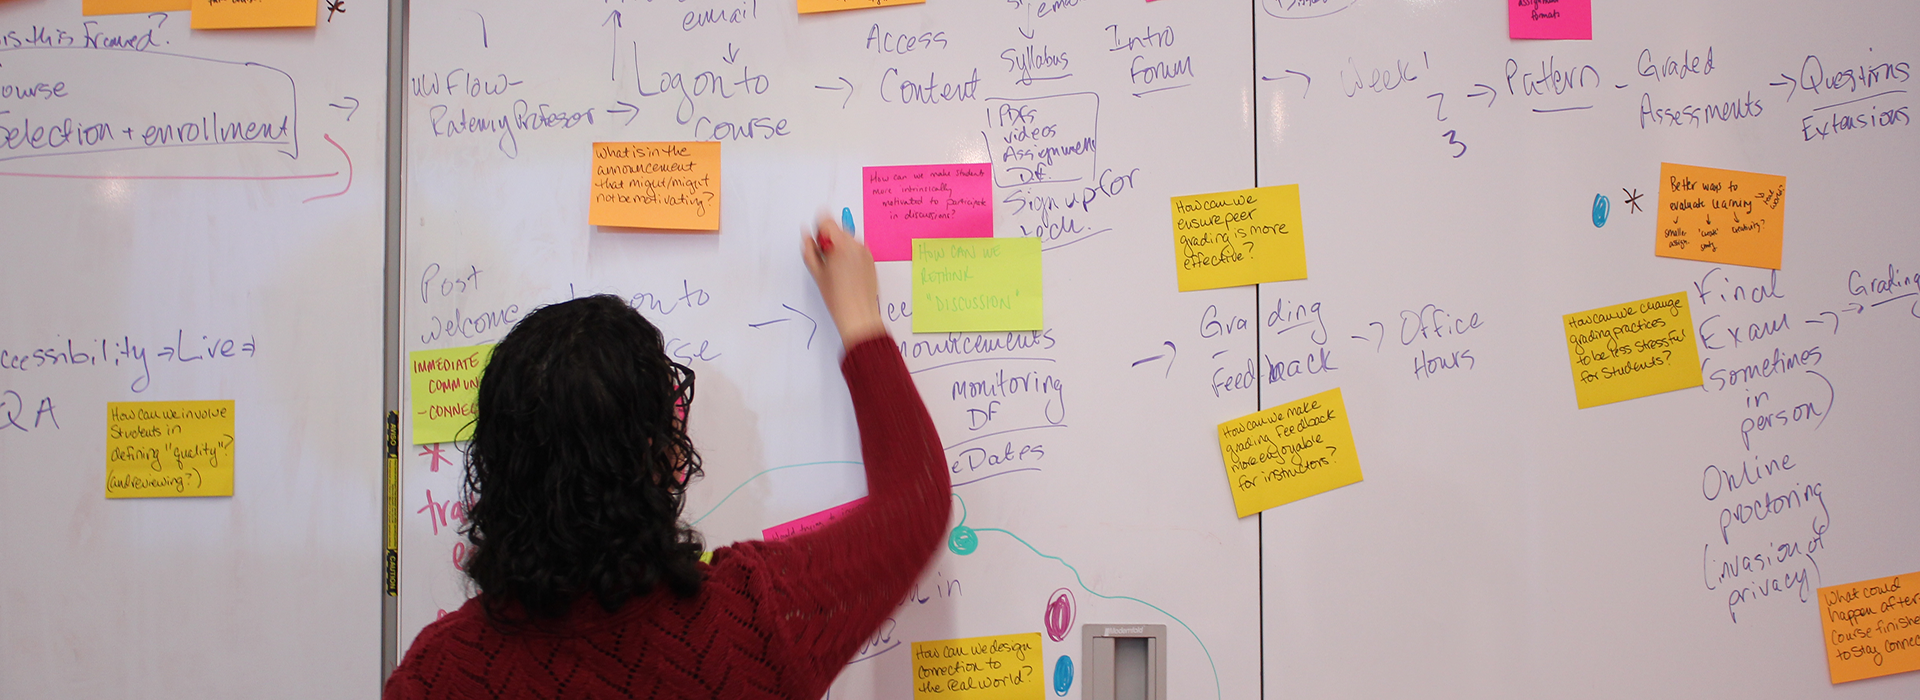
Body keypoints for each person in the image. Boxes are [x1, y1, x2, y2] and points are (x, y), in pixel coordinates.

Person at [385, 217, 951, 699]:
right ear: (658, 459)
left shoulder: (437, 676)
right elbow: (916, 504)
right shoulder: (752, 624)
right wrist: (857, 314)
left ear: (496, 467)